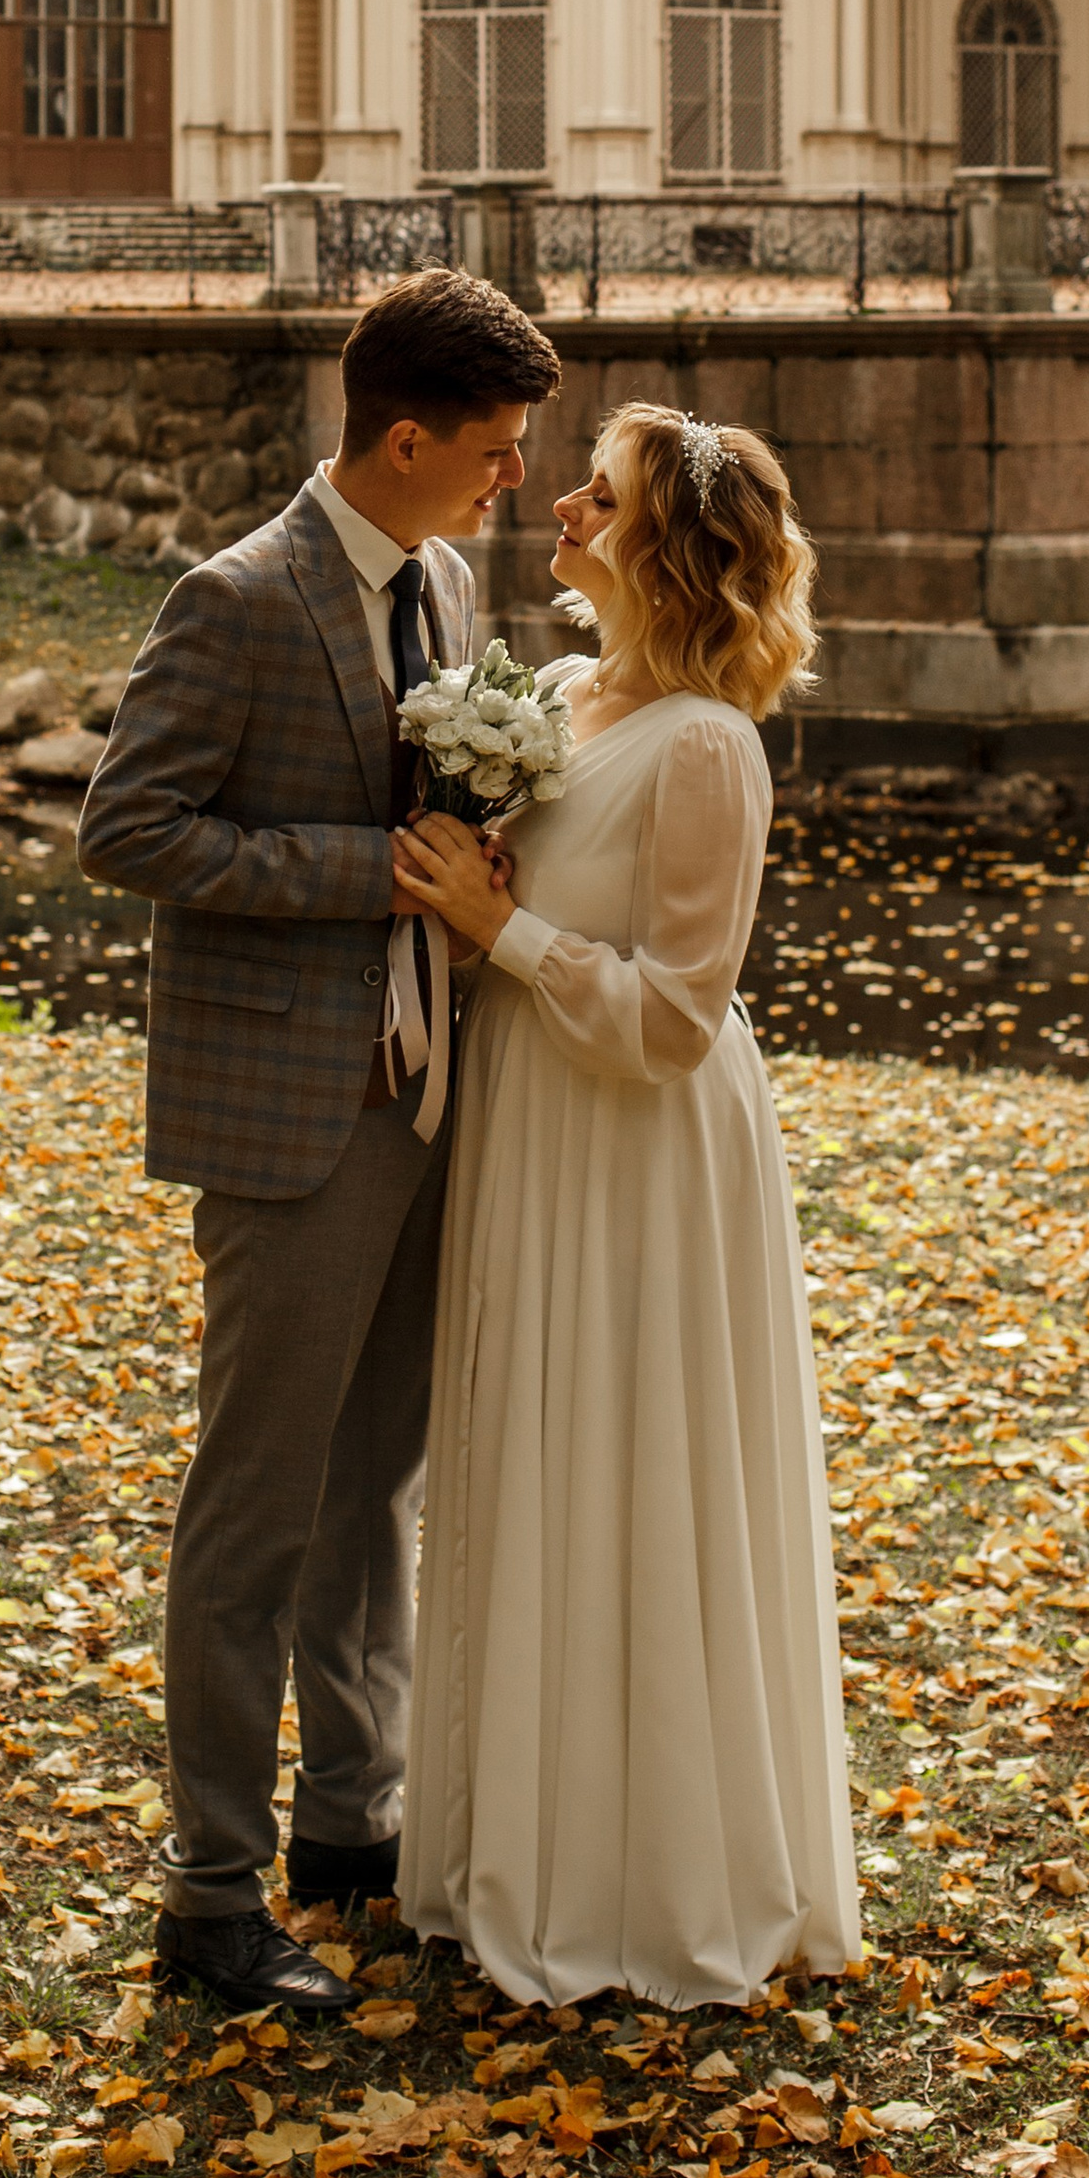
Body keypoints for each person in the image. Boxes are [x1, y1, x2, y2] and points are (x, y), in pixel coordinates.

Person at [77, 268, 564, 2015]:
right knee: (257, 1517)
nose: (515, 478)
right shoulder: (239, 600)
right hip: (290, 1124)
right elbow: (128, 830)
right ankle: (210, 1900)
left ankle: (349, 1830)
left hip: (435, 1102)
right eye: (497, 451)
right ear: (407, 438)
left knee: (378, 1491)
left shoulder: (442, 576)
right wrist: (356, 875)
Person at [389, 406, 859, 2009]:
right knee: (531, 1454)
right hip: (534, 1122)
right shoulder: (570, 703)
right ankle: (508, 1846)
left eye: (604, 491)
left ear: (661, 548)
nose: (566, 503)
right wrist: (473, 917)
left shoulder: (713, 746)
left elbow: (675, 1015)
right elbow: (522, 914)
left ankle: (649, 1875)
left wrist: (497, 934)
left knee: (636, 1463)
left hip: (644, 1151)